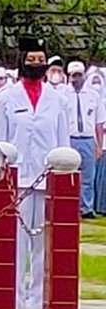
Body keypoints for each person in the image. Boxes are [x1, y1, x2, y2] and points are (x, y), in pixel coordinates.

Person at [0, 37, 70, 309]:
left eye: (41, 60)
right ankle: (16, 307)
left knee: (42, 247)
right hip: (17, 180)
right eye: (31, 60)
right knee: (17, 244)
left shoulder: (58, 100)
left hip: (47, 178)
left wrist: (62, 176)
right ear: (21, 61)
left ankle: (38, 306)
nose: (36, 65)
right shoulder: (6, 98)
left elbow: (63, 142)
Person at [59, 61, 103, 219]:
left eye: (79, 75)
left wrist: (99, 145)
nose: (76, 79)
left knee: (88, 176)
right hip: (69, 138)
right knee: (67, 175)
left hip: (87, 138)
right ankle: (68, 207)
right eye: (73, 76)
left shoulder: (93, 95)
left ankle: (86, 207)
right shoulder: (63, 95)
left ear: (84, 75)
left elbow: (98, 122)